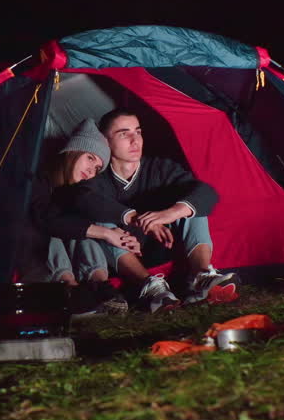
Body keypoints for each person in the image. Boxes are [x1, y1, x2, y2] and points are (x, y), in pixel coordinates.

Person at [71, 108, 237, 311]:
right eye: (124, 134)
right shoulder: (98, 175)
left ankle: (201, 276)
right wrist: (136, 218)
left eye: (138, 132)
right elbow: (83, 199)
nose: (135, 140)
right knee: (97, 220)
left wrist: (171, 213)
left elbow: (207, 192)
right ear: (105, 141)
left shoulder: (160, 167)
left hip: (163, 246)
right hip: (124, 256)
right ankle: (149, 288)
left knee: (192, 205)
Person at [28, 119, 153, 313]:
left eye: (97, 168)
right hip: (29, 240)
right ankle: (68, 287)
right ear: (72, 152)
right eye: (90, 158)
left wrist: (120, 235)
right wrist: (105, 233)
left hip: (68, 241)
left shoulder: (75, 192)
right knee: (55, 228)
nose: (91, 170)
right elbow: (44, 219)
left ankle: (99, 283)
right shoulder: (36, 178)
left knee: (83, 225)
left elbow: (86, 220)